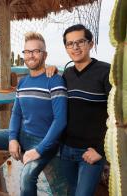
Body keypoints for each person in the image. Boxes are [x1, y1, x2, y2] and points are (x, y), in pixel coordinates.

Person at [0, 32, 67, 196]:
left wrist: (39, 150)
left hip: (45, 141)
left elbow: (60, 120)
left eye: (36, 51)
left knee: (26, 177)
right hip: (24, 135)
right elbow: (16, 113)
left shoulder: (54, 80)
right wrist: (12, 139)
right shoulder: (23, 82)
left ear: (44, 55)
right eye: (27, 51)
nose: (31, 55)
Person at [46, 24, 111, 196]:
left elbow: (116, 116)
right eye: (70, 43)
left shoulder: (106, 72)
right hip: (66, 149)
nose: (75, 47)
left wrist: (101, 150)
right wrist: (52, 71)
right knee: (71, 191)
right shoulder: (66, 74)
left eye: (80, 42)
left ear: (91, 44)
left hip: (91, 151)